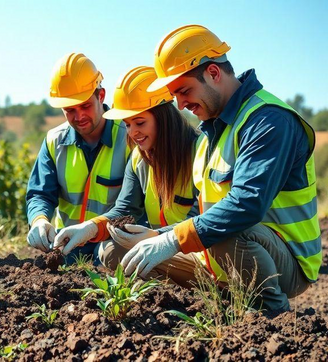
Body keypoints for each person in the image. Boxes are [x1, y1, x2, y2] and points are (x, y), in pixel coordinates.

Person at [120, 25, 318, 310]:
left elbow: (247, 205)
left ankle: (272, 315)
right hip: (218, 259)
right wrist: (160, 236)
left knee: (228, 231)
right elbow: (202, 214)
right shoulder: (209, 135)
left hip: (283, 261)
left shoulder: (268, 121)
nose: (180, 103)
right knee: (122, 250)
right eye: (174, 94)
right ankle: (222, 299)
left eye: (184, 90)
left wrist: (174, 239)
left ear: (213, 73)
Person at [54, 65, 227, 287]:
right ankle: (173, 294)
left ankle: (210, 293)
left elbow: (202, 218)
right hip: (163, 250)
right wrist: (89, 228)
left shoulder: (199, 150)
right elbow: (125, 209)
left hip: (203, 254)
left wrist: (156, 237)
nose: (133, 132)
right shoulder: (138, 158)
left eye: (140, 122)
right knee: (110, 250)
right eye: (127, 124)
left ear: (163, 117)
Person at [26, 53, 131, 262]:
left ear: (101, 96)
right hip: (68, 245)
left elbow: (136, 204)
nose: (79, 116)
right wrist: (39, 220)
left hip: (114, 244)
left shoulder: (129, 137)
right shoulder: (54, 141)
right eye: (70, 110)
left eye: (85, 106)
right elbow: (40, 194)